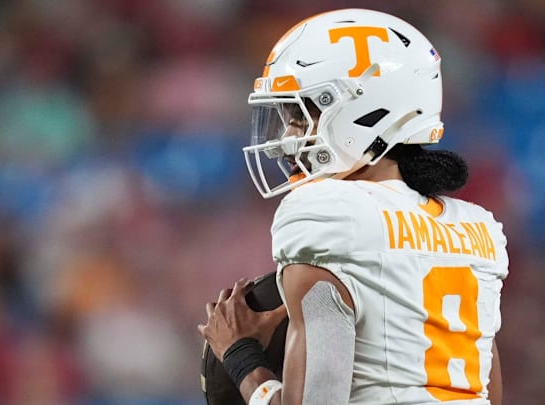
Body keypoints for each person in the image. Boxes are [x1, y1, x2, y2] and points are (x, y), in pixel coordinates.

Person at [198, 8, 508, 405]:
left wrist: (240, 356)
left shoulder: (326, 214)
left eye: (301, 116)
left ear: (362, 111)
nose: (288, 137)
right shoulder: (476, 229)